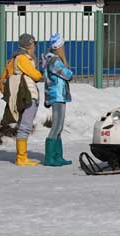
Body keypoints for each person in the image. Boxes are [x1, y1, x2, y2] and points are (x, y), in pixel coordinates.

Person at [3, 34, 42, 166]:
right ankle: (21, 157)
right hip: (28, 96)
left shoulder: (15, 58)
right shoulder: (23, 58)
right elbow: (36, 75)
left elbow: (2, 79)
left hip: (23, 96)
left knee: (23, 125)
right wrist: (40, 73)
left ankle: (21, 156)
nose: (35, 46)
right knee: (25, 126)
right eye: (34, 43)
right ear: (29, 44)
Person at [41, 33, 73, 166]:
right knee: (57, 126)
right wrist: (65, 59)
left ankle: (58, 156)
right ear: (59, 46)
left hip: (58, 95)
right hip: (57, 96)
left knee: (59, 127)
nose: (64, 48)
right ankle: (50, 157)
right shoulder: (55, 61)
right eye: (63, 46)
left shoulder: (51, 59)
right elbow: (69, 75)